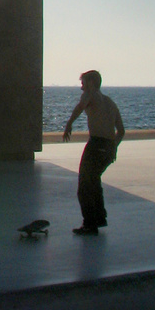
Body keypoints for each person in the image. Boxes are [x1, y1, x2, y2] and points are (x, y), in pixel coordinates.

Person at [63, 70, 125, 235]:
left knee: (84, 185)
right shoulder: (110, 102)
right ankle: (98, 218)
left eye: (83, 82)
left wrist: (69, 124)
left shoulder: (91, 94)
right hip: (108, 146)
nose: (81, 87)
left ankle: (90, 224)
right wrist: (113, 147)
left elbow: (80, 107)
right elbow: (121, 131)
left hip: (96, 144)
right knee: (94, 181)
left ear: (91, 82)